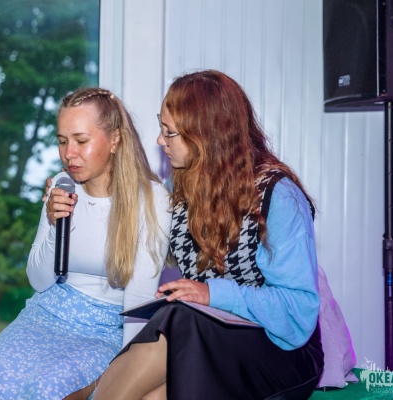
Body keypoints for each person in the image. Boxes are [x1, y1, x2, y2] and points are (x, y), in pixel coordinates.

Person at [91, 70, 324, 400]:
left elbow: (298, 311)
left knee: (183, 317)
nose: (160, 141)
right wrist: (73, 196)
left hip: (281, 352)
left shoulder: (279, 196)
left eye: (170, 133)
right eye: (161, 128)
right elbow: (140, 232)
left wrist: (213, 294)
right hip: (209, 339)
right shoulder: (183, 184)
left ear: (207, 137)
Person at [0, 87, 171, 400]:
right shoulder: (61, 187)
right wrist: (53, 222)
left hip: (106, 330)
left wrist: (122, 374)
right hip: (43, 315)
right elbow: (39, 281)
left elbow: (139, 303)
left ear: (115, 139)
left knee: (49, 390)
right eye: (62, 141)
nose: (68, 153)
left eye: (81, 141)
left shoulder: (152, 200)